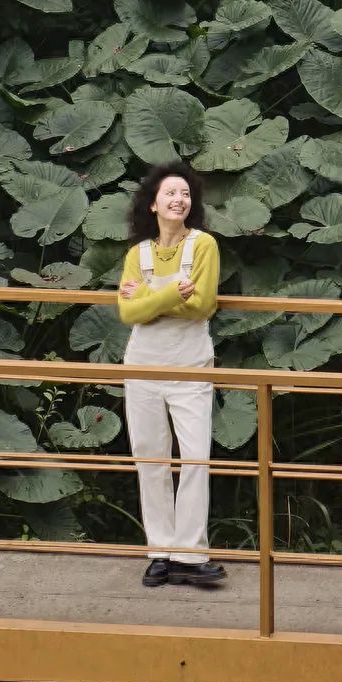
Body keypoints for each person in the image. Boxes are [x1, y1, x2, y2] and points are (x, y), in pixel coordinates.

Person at [117, 163, 226, 589]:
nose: (178, 200)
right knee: (150, 458)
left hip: (190, 365)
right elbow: (128, 314)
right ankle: (160, 552)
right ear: (153, 204)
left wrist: (146, 296)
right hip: (143, 365)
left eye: (185, 194)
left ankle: (190, 554)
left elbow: (202, 305)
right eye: (170, 193)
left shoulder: (204, 245)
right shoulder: (137, 253)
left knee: (195, 456)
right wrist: (169, 294)